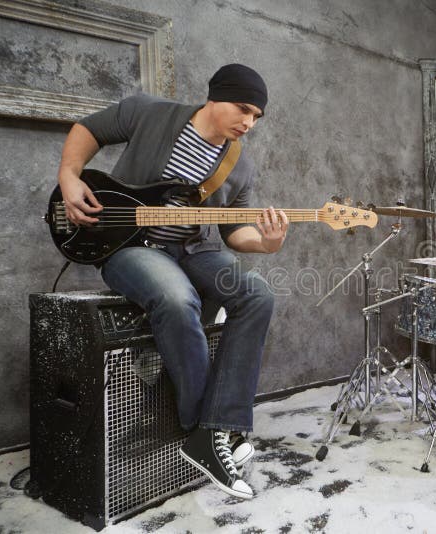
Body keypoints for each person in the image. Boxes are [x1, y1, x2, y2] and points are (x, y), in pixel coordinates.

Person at [56, 64, 288, 500]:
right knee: (177, 298)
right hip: (128, 247)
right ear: (215, 96)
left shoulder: (239, 167)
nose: (249, 123)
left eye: (257, 117)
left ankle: (214, 429)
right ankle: (206, 431)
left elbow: (236, 233)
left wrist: (268, 244)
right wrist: (69, 177)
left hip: (196, 250)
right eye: (243, 109)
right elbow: (87, 130)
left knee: (257, 293)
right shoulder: (149, 112)